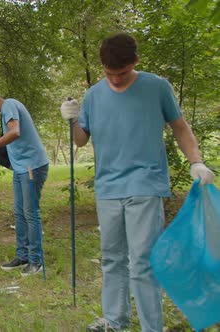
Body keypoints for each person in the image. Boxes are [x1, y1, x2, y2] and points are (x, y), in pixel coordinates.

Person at [60, 32, 215, 332]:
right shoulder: (93, 95)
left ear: (136, 62)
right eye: (109, 74)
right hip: (107, 187)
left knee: (142, 261)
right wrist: (72, 120)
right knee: (112, 258)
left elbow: (180, 128)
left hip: (146, 182)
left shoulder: (157, 87)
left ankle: (150, 327)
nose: (115, 80)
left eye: (122, 73)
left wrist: (195, 161)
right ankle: (115, 321)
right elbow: (81, 141)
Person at [0, 89, 50, 276]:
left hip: (32, 166)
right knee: (19, 212)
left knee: (30, 213)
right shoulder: (7, 110)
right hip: (21, 168)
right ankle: (23, 256)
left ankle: (36, 261)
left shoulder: (9, 105)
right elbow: (10, 135)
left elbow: (15, 132)